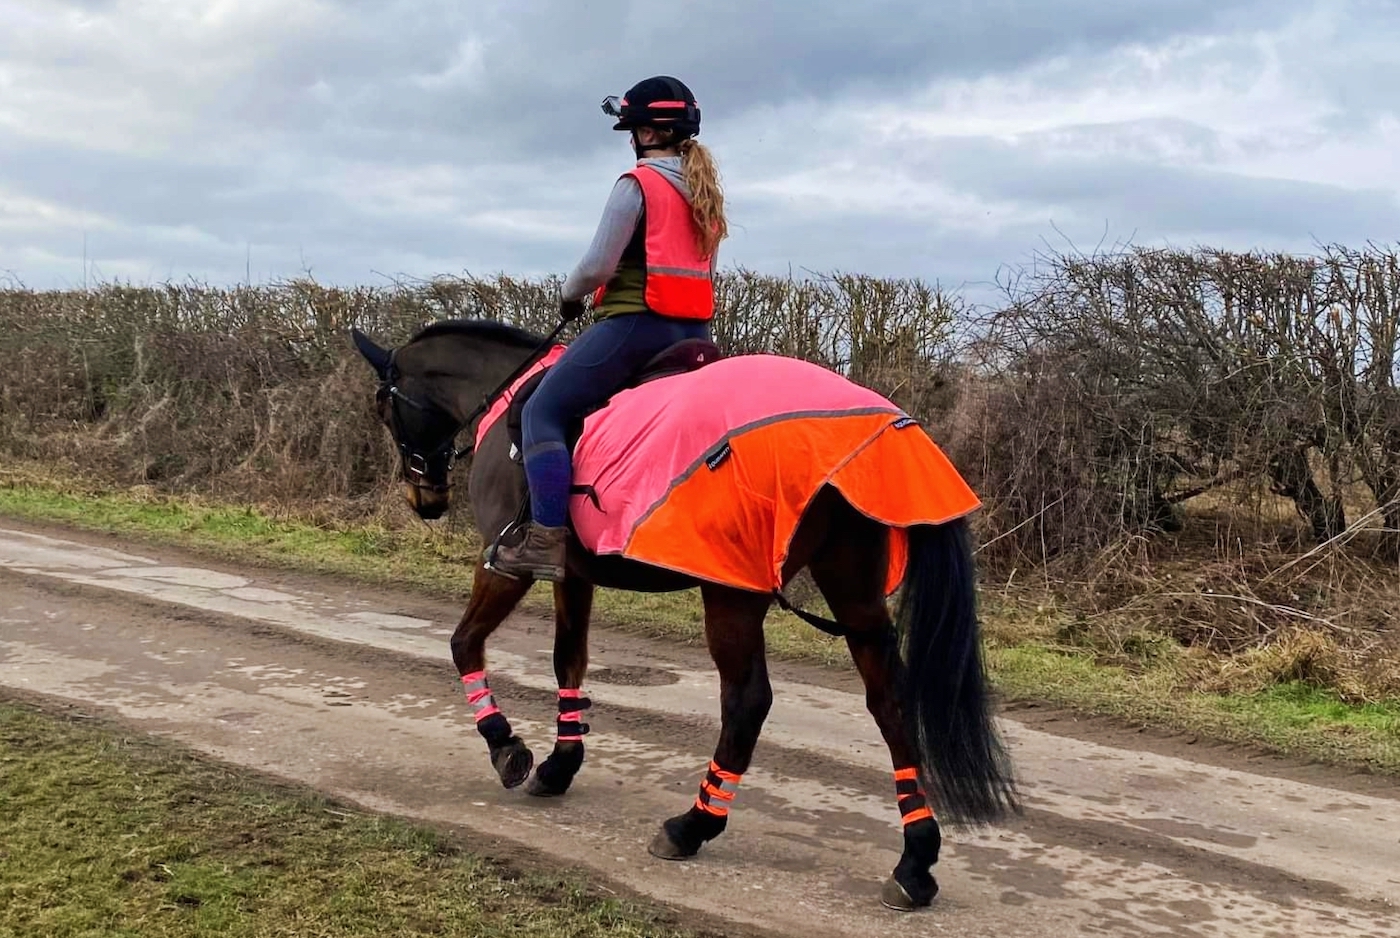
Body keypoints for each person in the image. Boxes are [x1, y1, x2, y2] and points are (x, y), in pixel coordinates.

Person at [488, 75, 728, 583]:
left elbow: (598, 266)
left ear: (646, 133)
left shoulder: (637, 185)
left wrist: (569, 296)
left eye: (633, 129)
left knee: (542, 410)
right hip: (697, 337)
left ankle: (545, 540)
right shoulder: (705, 194)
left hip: (636, 327)